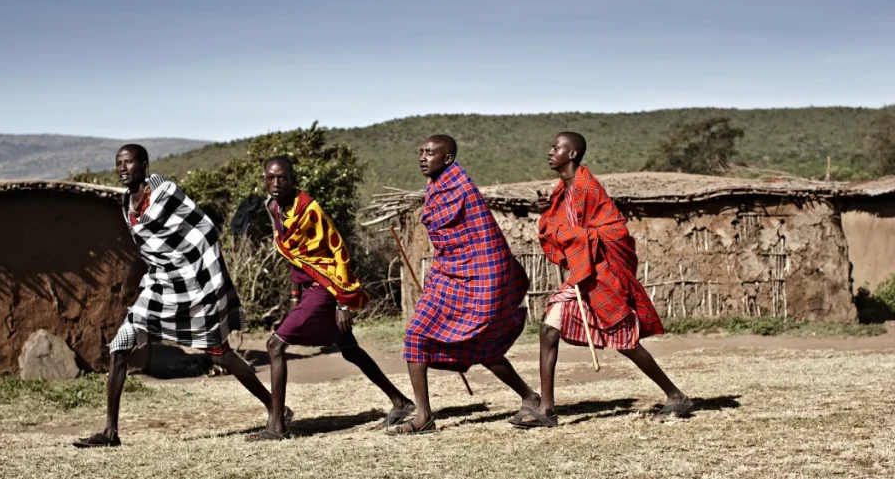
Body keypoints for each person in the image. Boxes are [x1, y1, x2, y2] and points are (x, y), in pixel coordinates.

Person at [73, 144, 281, 447]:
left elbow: (203, 228)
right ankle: (110, 432)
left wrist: (199, 271)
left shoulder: (165, 192)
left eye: (128, 163)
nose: (122, 168)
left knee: (219, 352)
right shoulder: (125, 203)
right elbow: (150, 246)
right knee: (120, 347)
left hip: (192, 286)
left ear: (144, 165)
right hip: (158, 287)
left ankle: (275, 408)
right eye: (118, 163)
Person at [522, 132, 692, 428]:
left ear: (572, 154)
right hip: (582, 271)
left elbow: (613, 232)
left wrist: (574, 237)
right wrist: (548, 211)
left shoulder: (586, 187)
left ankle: (676, 395)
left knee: (625, 342)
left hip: (602, 273)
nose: (550, 152)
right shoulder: (564, 190)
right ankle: (546, 409)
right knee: (549, 330)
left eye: (556, 147)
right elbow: (566, 223)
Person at [254, 156, 415, 441]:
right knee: (350, 349)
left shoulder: (310, 209)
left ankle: (276, 427)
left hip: (327, 288)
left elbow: (337, 251)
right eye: (270, 178)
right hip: (308, 287)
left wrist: (342, 301)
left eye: (282, 178)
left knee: (275, 345)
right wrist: (294, 296)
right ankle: (400, 403)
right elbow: (296, 257)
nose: (276, 184)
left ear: (293, 180)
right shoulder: (273, 208)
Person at [390, 135, 540, 435]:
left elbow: (484, 240)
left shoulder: (462, 189)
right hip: (447, 275)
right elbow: (448, 242)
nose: (422, 157)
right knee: (416, 336)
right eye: (421, 152)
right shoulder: (435, 187)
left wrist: (479, 277)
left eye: (430, 153)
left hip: (481, 276)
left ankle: (530, 396)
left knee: (484, 346)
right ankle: (424, 416)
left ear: (447, 159)